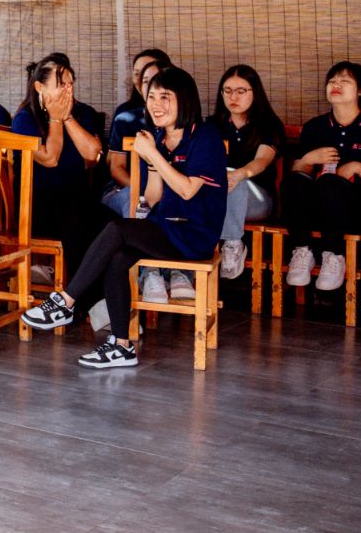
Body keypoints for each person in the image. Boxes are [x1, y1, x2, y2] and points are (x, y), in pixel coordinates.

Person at [22, 66, 227, 369]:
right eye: (151, 97)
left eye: (165, 97)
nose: (155, 104)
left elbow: (186, 191)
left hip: (194, 235)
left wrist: (153, 155)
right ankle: (121, 346)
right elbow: (154, 196)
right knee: (117, 258)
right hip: (165, 226)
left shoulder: (205, 136)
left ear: (184, 100)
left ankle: (65, 301)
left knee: (116, 229)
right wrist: (152, 164)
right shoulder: (158, 136)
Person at [283, 61, 361, 292]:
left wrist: (357, 167)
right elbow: (299, 175)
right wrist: (308, 159)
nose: (336, 85)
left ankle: (334, 255)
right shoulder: (315, 127)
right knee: (295, 181)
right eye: (332, 81)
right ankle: (302, 251)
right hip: (318, 211)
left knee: (331, 183)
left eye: (345, 81)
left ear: (360, 91)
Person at [8, 54, 108, 285]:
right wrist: (55, 119)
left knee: (110, 226)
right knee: (72, 216)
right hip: (37, 203)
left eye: (70, 84)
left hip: (77, 196)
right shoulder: (25, 118)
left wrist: (67, 117)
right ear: (39, 87)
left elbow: (92, 154)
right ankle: (79, 292)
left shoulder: (83, 112)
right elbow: (50, 159)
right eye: (61, 85)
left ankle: (94, 292)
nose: (67, 90)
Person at [210, 65, 286, 280]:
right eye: (227, 91)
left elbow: (262, 160)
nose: (233, 97)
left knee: (233, 179)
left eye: (241, 91)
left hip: (257, 200)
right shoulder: (212, 125)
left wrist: (239, 174)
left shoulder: (268, 125)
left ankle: (233, 244)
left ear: (255, 92)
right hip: (218, 196)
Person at [102, 49, 172, 215]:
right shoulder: (125, 118)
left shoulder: (182, 121)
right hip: (127, 188)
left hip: (168, 188)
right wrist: (142, 190)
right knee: (138, 205)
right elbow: (116, 168)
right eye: (145, 80)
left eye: (156, 79)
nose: (151, 86)